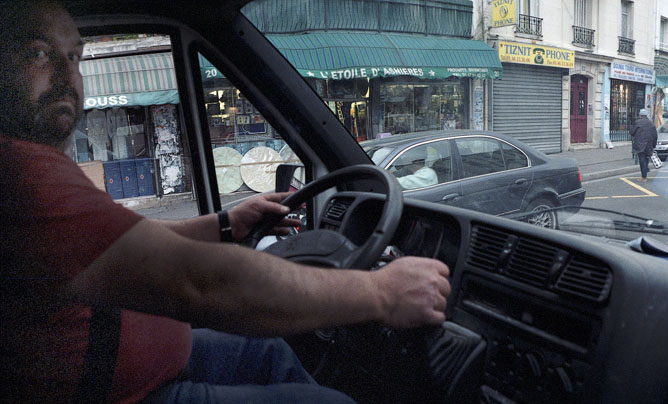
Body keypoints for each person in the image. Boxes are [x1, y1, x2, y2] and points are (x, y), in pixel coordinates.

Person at [0, 2, 450, 403]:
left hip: (140, 363)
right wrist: (380, 292)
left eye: (74, 56)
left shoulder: (39, 165)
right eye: (37, 53)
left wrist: (226, 223)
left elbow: (126, 246)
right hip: (125, 390)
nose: (65, 74)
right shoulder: (21, 174)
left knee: (270, 350)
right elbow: (200, 283)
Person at [630, 109, 659, 183]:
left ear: (640, 115)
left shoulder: (637, 122)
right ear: (646, 115)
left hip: (640, 144)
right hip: (649, 144)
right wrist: (654, 145)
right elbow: (655, 135)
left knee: (642, 159)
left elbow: (632, 132)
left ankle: (644, 176)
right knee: (646, 158)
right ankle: (645, 170)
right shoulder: (651, 123)